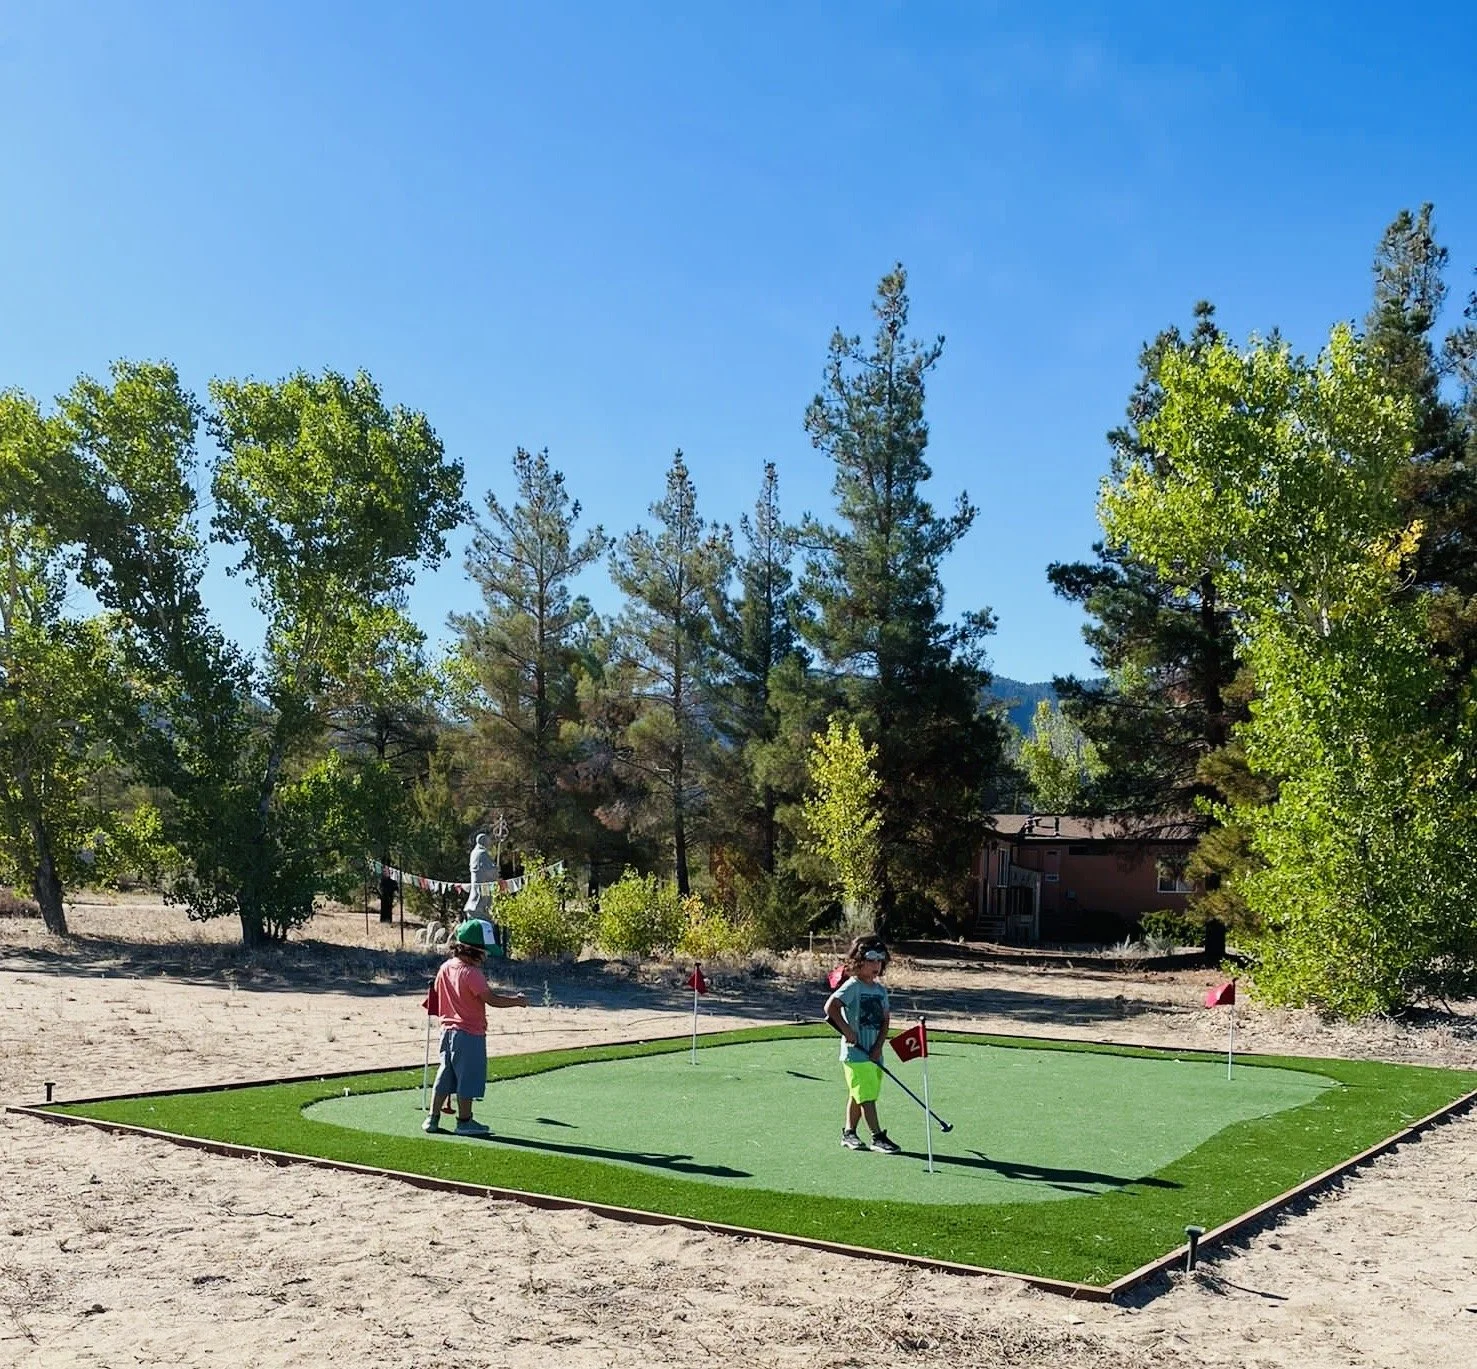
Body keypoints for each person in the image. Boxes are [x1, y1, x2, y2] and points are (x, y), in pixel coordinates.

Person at [423, 919, 527, 1137]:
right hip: (469, 1033)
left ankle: (432, 1118)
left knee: (445, 1074)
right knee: (467, 1078)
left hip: (447, 1032)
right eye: (484, 952)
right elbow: (491, 999)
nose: (486, 957)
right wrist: (516, 1001)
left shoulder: (445, 968)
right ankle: (465, 1121)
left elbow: (436, 992)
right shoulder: (472, 974)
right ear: (474, 951)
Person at [823, 934, 901, 1153]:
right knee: (866, 1095)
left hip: (873, 1052)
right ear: (859, 961)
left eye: (880, 961)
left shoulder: (879, 990)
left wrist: (878, 1047)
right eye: (871, 960)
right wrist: (846, 1030)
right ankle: (878, 1137)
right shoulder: (853, 986)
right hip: (855, 1053)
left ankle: (849, 1133)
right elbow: (831, 1007)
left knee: (860, 1093)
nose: (876, 965)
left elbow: (885, 1020)